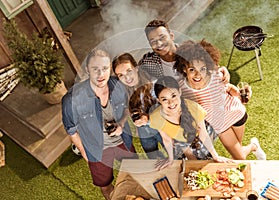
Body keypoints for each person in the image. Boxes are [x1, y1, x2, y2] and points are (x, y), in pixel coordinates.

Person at [61, 49, 137, 200]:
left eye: (105, 68)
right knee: (105, 185)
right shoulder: (71, 100)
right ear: (87, 70)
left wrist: (121, 124)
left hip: (123, 141)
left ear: (110, 68)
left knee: (135, 173)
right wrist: (84, 152)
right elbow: (71, 130)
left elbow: (128, 106)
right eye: (95, 69)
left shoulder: (119, 85)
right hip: (97, 150)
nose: (101, 74)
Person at [174, 39, 266, 160]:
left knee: (238, 153)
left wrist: (242, 93)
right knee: (240, 157)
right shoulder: (182, 88)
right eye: (192, 69)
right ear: (184, 69)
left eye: (202, 69)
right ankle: (254, 146)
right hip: (220, 125)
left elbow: (229, 88)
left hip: (237, 114)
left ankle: (253, 146)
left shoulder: (217, 76)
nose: (198, 75)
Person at [149, 76, 231, 170]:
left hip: (198, 134)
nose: (171, 103)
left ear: (179, 92)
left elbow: (203, 134)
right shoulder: (155, 118)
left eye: (173, 96)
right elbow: (166, 139)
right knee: (189, 163)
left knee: (203, 161)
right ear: (159, 100)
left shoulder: (194, 109)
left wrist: (215, 156)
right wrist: (171, 159)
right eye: (164, 99)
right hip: (180, 139)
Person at [138, 19, 230, 82]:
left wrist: (222, 69)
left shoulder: (190, 52)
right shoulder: (149, 62)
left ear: (172, 36)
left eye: (162, 37)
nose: (159, 44)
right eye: (153, 41)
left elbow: (211, 67)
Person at [112, 52, 165, 159]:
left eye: (129, 71)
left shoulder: (154, 84)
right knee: (155, 161)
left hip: (163, 128)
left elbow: (168, 109)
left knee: (178, 157)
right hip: (144, 132)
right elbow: (127, 108)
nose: (127, 78)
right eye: (121, 75)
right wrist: (122, 123)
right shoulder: (125, 90)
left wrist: (148, 118)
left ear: (136, 68)